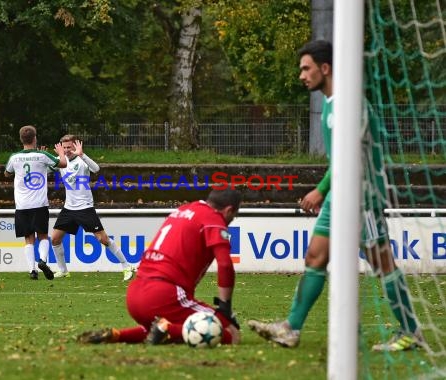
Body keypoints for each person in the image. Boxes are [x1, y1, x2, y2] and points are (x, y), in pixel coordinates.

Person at [247, 40, 424, 352]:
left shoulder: (350, 104)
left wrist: (320, 189)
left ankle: (411, 331)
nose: (301, 75)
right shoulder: (330, 103)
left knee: (382, 263)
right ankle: (291, 328)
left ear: (324, 68)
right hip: (340, 192)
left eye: (306, 68)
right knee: (315, 256)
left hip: (363, 196)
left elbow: (350, 156)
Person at [76, 188, 242, 345]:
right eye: (233, 216)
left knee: (157, 327)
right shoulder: (213, 219)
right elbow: (225, 264)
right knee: (231, 332)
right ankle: (168, 329)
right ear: (228, 210)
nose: (230, 221)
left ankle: (119, 335)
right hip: (164, 294)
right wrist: (225, 307)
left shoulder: (183, 210)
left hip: (135, 294)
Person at [39, 134, 135, 281]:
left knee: (102, 239)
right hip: (69, 208)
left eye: (69, 147)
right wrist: (42, 156)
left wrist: (82, 155)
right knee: (55, 239)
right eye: (64, 148)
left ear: (75, 146)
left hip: (85, 207)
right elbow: (44, 171)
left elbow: (96, 169)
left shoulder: (82, 160)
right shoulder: (61, 161)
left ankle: (126, 265)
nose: (67, 150)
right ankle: (63, 270)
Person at [4, 126, 67, 280]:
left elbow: (7, 172)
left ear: (21, 139)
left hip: (22, 205)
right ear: (35, 138)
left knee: (28, 238)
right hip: (39, 203)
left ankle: (32, 270)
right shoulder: (42, 155)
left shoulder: (14, 157)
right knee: (43, 235)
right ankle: (43, 260)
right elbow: (62, 164)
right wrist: (60, 153)